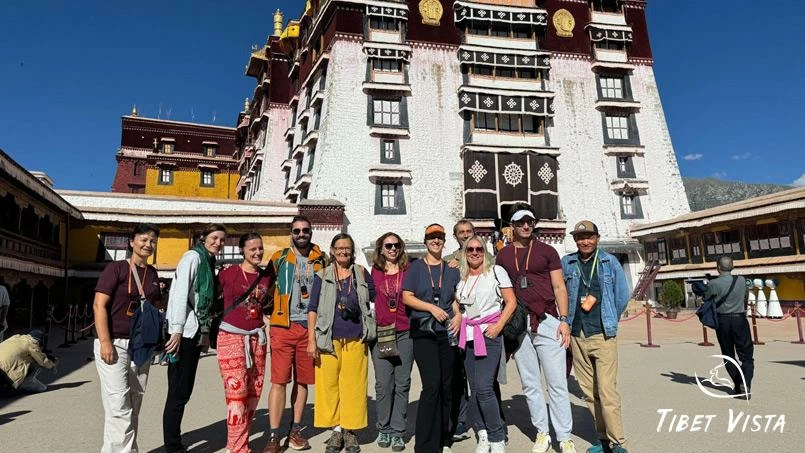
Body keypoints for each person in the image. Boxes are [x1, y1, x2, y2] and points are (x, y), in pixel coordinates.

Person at [495, 204, 575, 453]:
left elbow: (560, 286)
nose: (526, 226)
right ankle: (542, 432)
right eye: (520, 222)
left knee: (557, 382)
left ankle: (564, 436)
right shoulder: (503, 255)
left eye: (529, 221)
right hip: (520, 323)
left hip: (548, 319)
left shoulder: (547, 250)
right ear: (513, 226)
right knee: (530, 383)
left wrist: (564, 320)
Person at [91, 223, 161, 453]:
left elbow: (155, 309)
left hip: (142, 346)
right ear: (132, 242)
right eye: (143, 239)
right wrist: (105, 342)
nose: (148, 244)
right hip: (115, 343)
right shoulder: (117, 269)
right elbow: (99, 305)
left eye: (152, 240)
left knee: (133, 402)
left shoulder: (152, 274)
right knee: (118, 405)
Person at [561, 221, 630, 453]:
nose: (585, 241)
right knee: (590, 392)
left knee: (607, 390)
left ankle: (619, 441)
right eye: (580, 237)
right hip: (578, 334)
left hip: (603, 334)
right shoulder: (568, 263)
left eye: (589, 236)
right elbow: (560, 293)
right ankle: (603, 440)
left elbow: (622, 295)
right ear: (575, 240)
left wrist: (610, 319)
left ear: (597, 238)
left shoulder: (609, 262)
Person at [307, 233, 375, 453]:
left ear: (352, 250)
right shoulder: (322, 275)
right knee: (329, 386)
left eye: (347, 248)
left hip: (355, 337)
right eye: (339, 248)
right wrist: (311, 340)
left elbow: (376, 297)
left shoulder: (362, 274)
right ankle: (336, 430)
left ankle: (350, 430)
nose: (343, 251)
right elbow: (313, 308)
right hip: (328, 338)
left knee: (354, 386)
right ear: (332, 250)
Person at [265, 215, 327, 452]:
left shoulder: (322, 259)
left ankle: (295, 430)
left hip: (309, 328)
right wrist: (265, 317)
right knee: (279, 381)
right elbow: (264, 288)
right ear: (290, 233)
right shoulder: (279, 258)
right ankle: (273, 435)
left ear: (311, 232)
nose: (301, 234)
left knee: (303, 382)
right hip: (283, 327)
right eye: (297, 231)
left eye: (305, 230)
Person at [163, 223, 226, 453]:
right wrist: (177, 330)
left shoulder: (208, 262)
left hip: (194, 332)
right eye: (214, 238)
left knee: (183, 390)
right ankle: (172, 446)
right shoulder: (193, 257)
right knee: (178, 392)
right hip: (184, 333)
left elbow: (203, 301)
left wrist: (206, 333)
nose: (218, 243)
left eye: (221, 240)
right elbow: (179, 294)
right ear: (203, 237)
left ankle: (174, 440)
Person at [402, 224, 462, 453]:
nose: (435, 241)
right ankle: (426, 444)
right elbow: (407, 297)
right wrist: (430, 308)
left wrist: (458, 315)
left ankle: (444, 437)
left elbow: (456, 298)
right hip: (424, 333)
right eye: (431, 237)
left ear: (444, 241)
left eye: (439, 237)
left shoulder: (452, 269)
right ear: (425, 241)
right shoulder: (416, 268)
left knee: (448, 386)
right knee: (432, 386)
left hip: (448, 333)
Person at [455, 236, 517, 453]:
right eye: (470, 249)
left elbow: (511, 302)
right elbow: (457, 303)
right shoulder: (462, 277)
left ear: (484, 250)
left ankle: (497, 436)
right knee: (474, 389)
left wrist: (498, 326)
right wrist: (456, 315)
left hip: (488, 334)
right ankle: (482, 434)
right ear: (464, 252)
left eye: (478, 249)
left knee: (484, 388)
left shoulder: (496, 271)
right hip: (467, 335)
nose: (474, 252)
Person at [216, 233, 275, 453]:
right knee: (236, 394)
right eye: (252, 249)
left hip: (257, 337)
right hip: (231, 337)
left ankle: (241, 441)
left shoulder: (267, 277)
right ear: (242, 250)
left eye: (260, 248)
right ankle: (238, 448)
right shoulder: (228, 274)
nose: (258, 252)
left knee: (253, 392)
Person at [370, 232, 412, 452]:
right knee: (384, 384)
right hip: (382, 334)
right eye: (388, 246)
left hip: (405, 332)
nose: (393, 249)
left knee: (402, 383)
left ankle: (397, 431)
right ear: (381, 248)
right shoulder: (374, 271)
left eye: (397, 245)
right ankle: (383, 428)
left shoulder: (409, 270)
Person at [705, 256, 752, 399]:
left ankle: (739, 384)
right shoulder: (741, 280)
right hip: (740, 319)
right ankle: (746, 382)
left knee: (728, 354)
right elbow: (746, 296)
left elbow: (707, 300)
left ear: (718, 267)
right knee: (747, 356)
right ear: (732, 266)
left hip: (723, 320)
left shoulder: (713, 283)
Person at [444, 220, 473, 442]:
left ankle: (493, 418)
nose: (465, 236)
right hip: (457, 323)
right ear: (455, 237)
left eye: (468, 232)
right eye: (461, 233)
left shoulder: (486, 257)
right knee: (457, 374)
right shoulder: (448, 262)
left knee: (483, 375)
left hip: (482, 323)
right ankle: (460, 420)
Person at [0, 330, 57, 395]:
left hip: (1, 371)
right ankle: (25, 385)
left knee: (25, 358)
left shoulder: (15, 337)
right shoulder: (32, 344)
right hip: (7, 379)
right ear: (39, 342)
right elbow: (43, 361)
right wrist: (53, 365)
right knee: (37, 361)